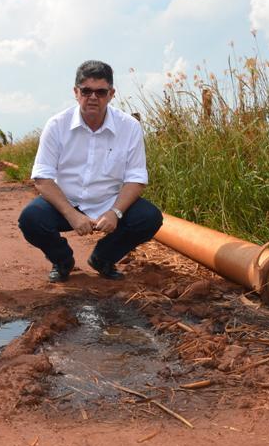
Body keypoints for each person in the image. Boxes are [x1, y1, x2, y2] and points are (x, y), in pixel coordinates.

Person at [18, 60, 163, 283]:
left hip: (109, 202)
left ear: (111, 94)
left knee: (149, 218)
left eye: (100, 92)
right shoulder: (57, 125)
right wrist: (71, 214)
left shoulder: (129, 127)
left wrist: (115, 212)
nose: (93, 97)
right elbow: (42, 178)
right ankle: (62, 260)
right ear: (76, 92)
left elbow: (136, 179)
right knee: (31, 219)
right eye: (86, 91)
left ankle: (103, 258)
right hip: (67, 202)